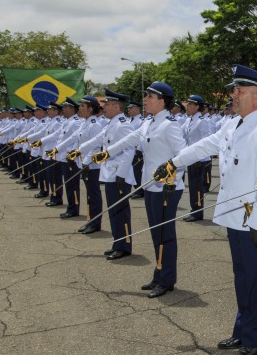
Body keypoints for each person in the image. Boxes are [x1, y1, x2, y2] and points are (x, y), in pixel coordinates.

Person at [154, 64, 257, 355]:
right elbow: (203, 146)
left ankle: (256, 338)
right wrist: (175, 162)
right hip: (235, 217)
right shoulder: (232, 124)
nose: (233, 95)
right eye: (235, 90)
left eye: (239, 91)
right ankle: (242, 329)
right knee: (242, 278)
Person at [104, 82, 186, 297]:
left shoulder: (170, 124)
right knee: (155, 233)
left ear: (162, 100)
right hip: (150, 185)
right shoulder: (149, 122)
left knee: (165, 234)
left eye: (149, 96)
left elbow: (183, 155)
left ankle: (167, 279)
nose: (145, 99)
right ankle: (159, 273)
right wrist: (108, 152)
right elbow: (132, 139)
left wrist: (171, 177)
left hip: (167, 188)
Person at [79, 89, 136, 260]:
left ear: (116, 106)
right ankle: (117, 243)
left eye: (107, 105)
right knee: (113, 211)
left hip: (119, 175)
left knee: (120, 211)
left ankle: (124, 245)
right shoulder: (111, 123)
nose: (104, 108)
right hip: (111, 174)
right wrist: (79, 150)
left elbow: (129, 150)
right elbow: (97, 140)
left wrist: (121, 175)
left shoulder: (123, 125)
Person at [63, 96, 104, 234]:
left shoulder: (95, 125)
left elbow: (96, 146)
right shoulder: (84, 123)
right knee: (89, 195)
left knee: (94, 194)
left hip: (92, 165)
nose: (79, 108)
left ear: (90, 108)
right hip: (84, 163)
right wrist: (60, 148)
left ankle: (95, 222)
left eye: (82, 106)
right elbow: (74, 138)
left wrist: (86, 161)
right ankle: (90, 220)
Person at [180, 95, 211, 222]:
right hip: (191, 158)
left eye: (190, 104)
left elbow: (206, 140)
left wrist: (200, 157)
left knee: (197, 187)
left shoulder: (201, 121)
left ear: (197, 107)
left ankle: (198, 213)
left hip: (200, 160)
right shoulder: (189, 120)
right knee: (192, 186)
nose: (187, 106)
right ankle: (194, 210)